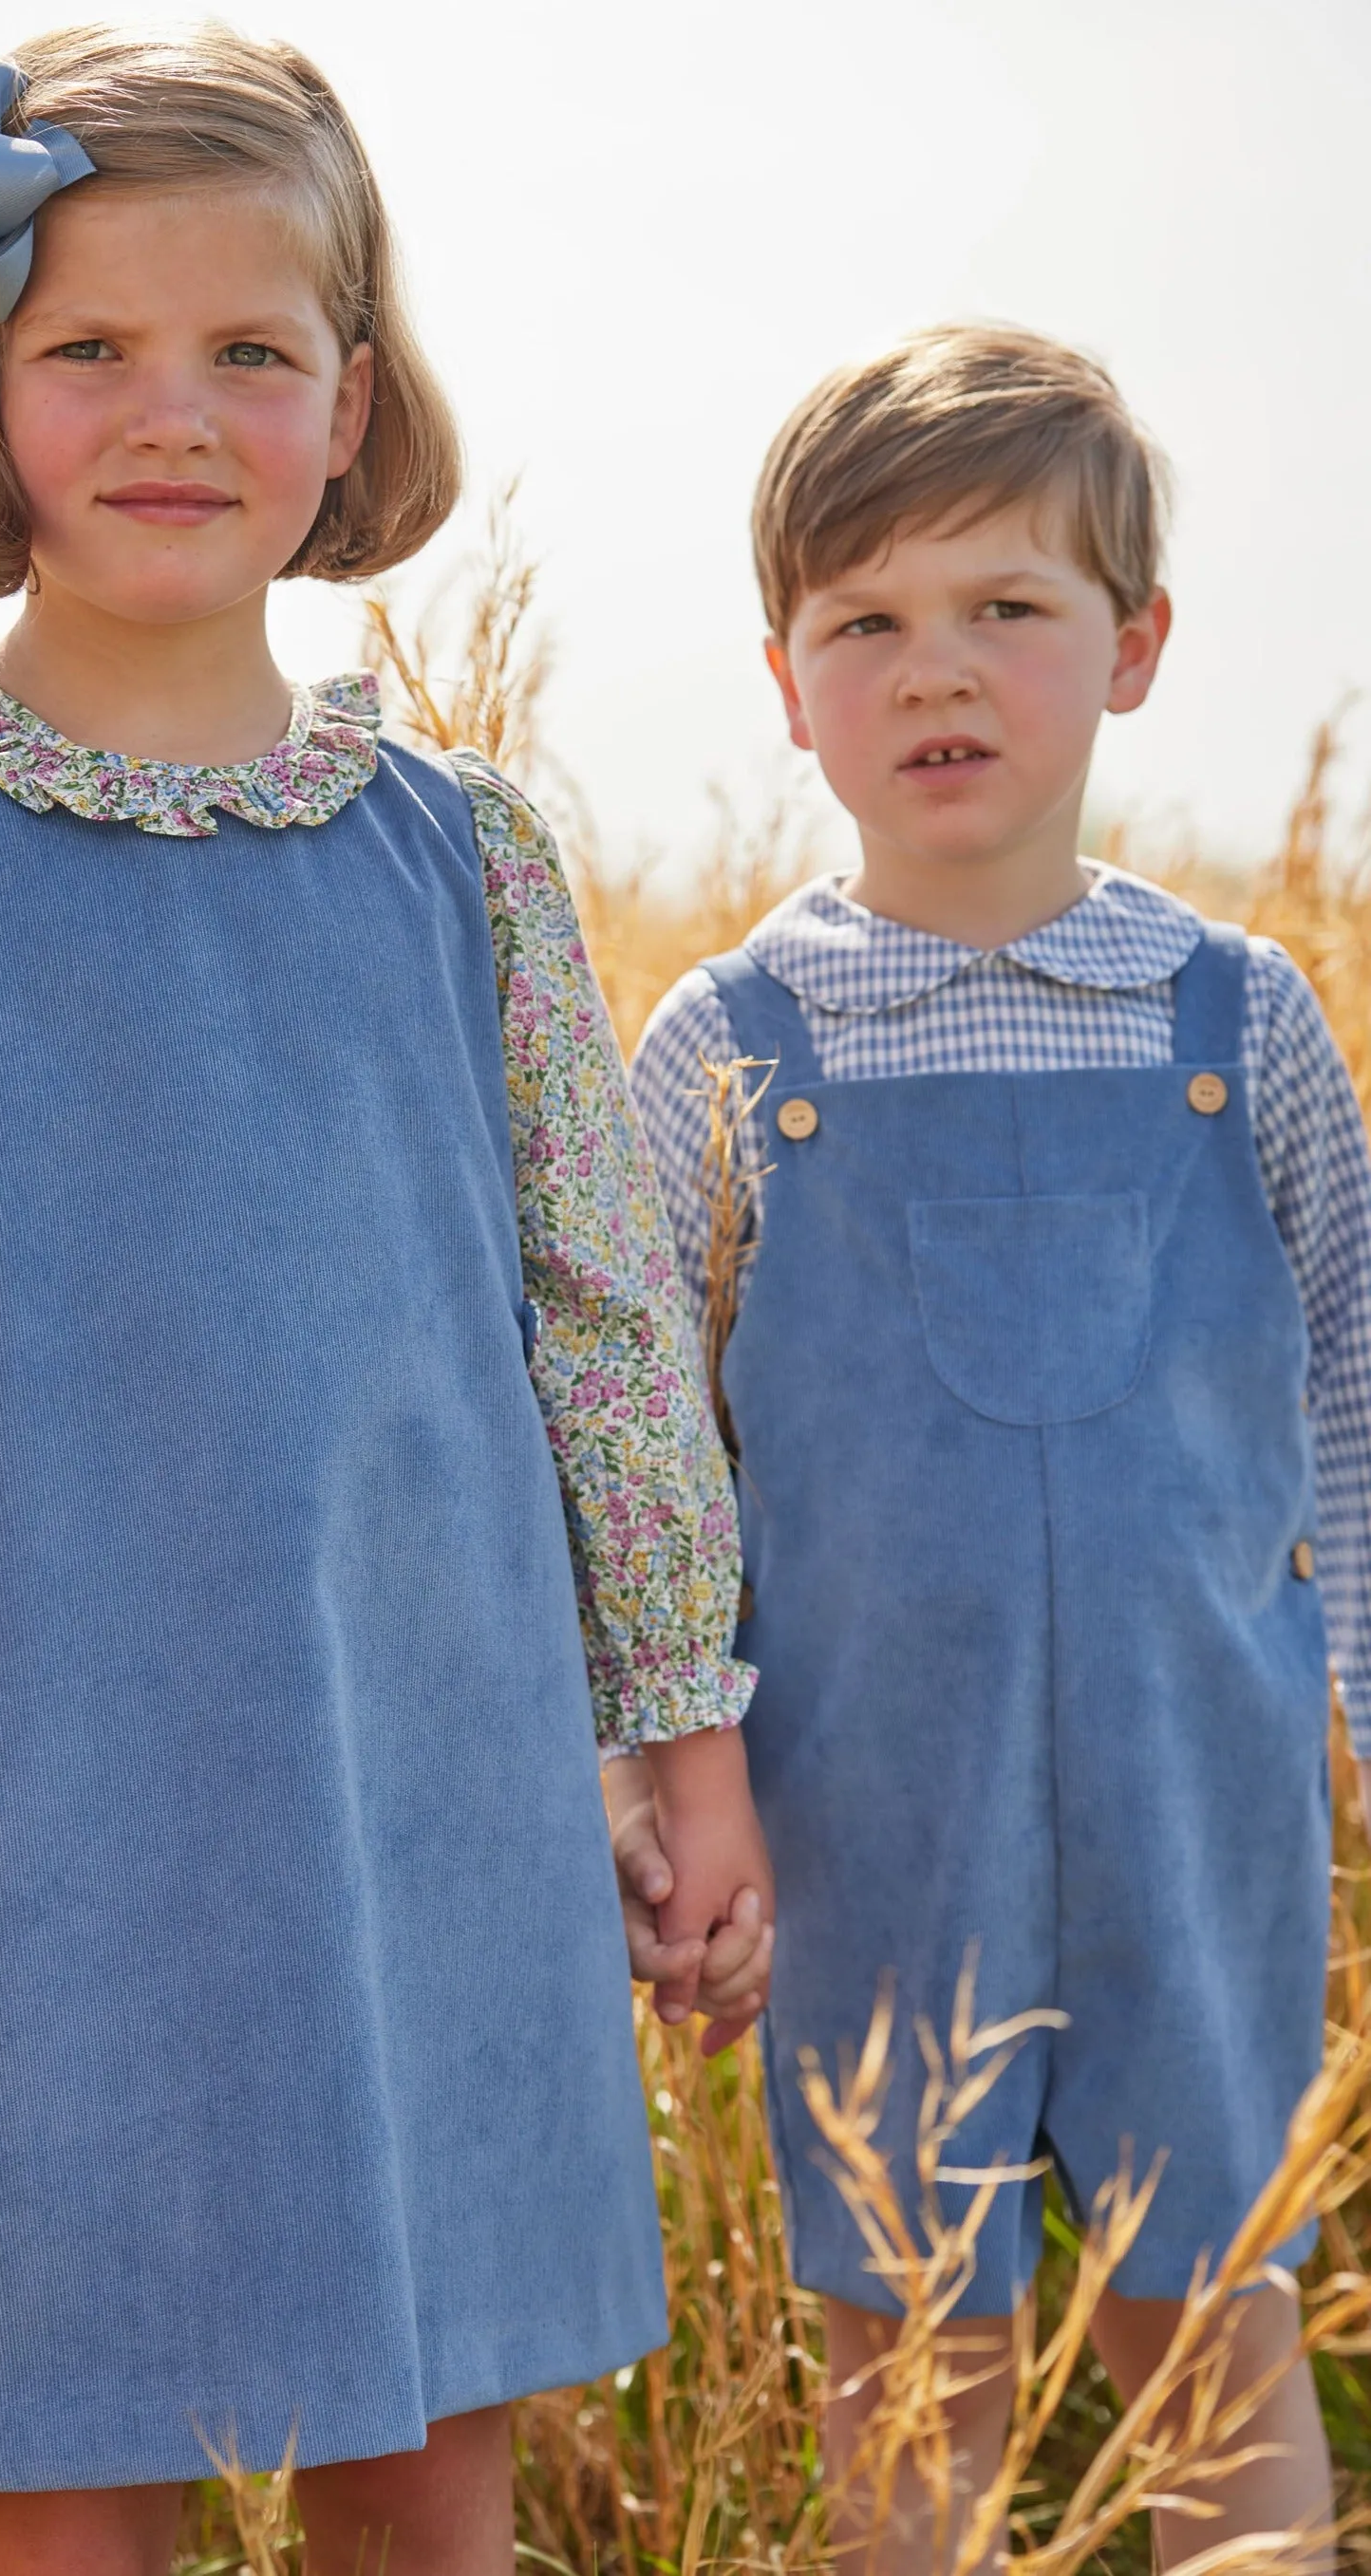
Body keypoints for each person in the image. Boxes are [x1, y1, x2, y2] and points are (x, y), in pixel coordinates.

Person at [0, 28, 770, 2572]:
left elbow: (594, 1318)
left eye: (249, 351)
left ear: (350, 402)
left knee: (423, 2468)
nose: (177, 411)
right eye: (92, 351)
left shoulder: (465, 852)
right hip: (37, 1810)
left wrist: (680, 1740)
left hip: (430, 1782)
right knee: (43, 2483)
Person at [619, 323, 1371, 2571]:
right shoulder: (727, 1049)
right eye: (863, 622)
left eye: (1002, 608)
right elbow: (641, 1445)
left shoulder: (1244, 1021)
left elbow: (1346, 1389)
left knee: (1206, 2327)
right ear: (783, 684)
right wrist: (657, 1774)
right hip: (869, 1817)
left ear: (1132, 649)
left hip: (1193, 1801)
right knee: (913, 2355)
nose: (930, 670)